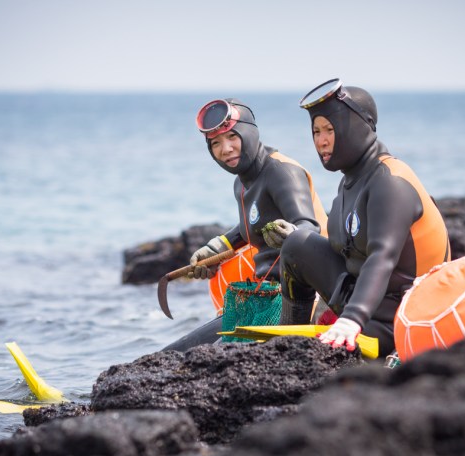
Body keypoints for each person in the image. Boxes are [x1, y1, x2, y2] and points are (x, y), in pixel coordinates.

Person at [278, 78, 450, 359]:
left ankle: (335, 330)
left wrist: (351, 319)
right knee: (297, 245)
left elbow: (382, 256)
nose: (321, 140)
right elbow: (342, 250)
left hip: (402, 318)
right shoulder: (350, 181)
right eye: (316, 131)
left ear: (358, 127)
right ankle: (289, 331)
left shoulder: (390, 180)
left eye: (330, 130)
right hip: (363, 299)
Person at [162, 98, 327, 351]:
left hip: (304, 300)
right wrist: (218, 247)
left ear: (249, 133)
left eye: (232, 137)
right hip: (263, 299)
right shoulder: (241, 182)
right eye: (215, 143)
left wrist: (291, 234)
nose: (225, 149)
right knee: (174, 354)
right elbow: (251, 225)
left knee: (205, 359)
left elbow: (308, 227)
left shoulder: (281, 171)